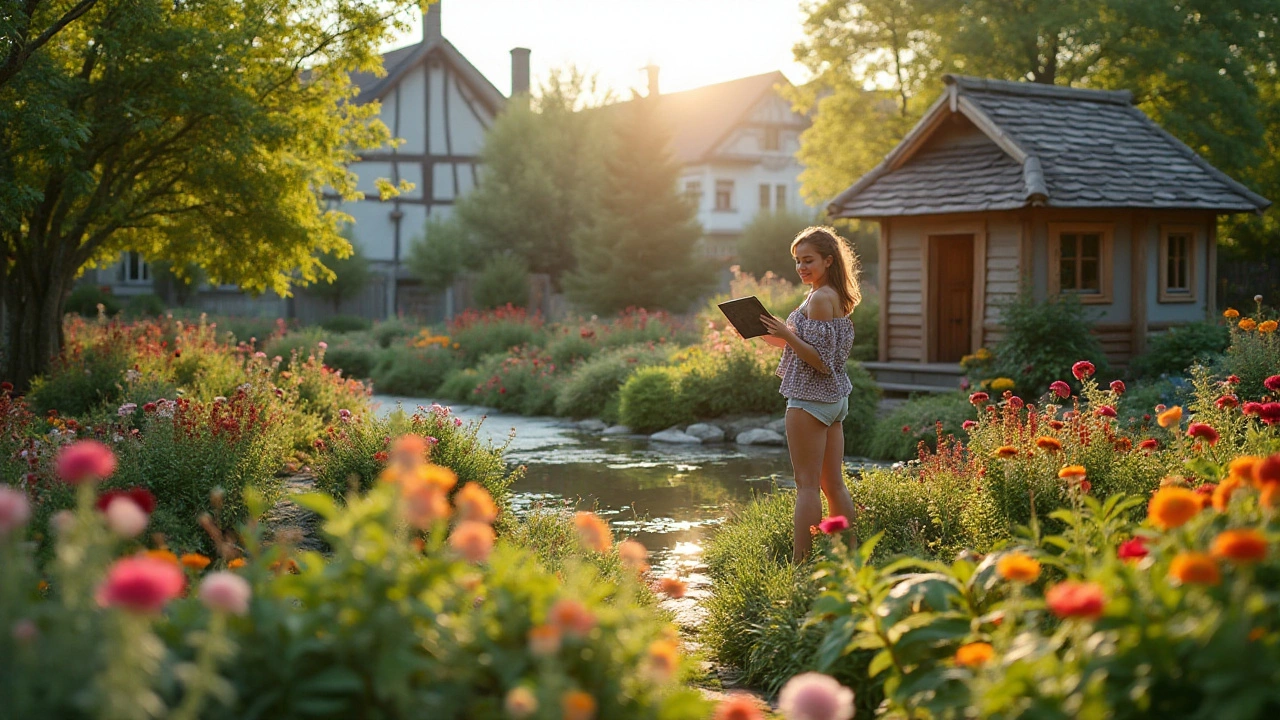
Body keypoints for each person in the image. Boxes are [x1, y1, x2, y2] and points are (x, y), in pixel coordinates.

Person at [758, 226, 861, 562]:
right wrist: (773, 333)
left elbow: (819, 361)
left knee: (806, 485)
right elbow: (807, 348)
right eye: (798, 261)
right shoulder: (831, 295)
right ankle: (849, 557)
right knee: (834, 483)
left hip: (810, 400)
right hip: (833, 401)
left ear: (828, 260)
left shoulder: (818, 299)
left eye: (809, 260)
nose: (802, 267)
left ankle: (801, 563)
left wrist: (787, 334)